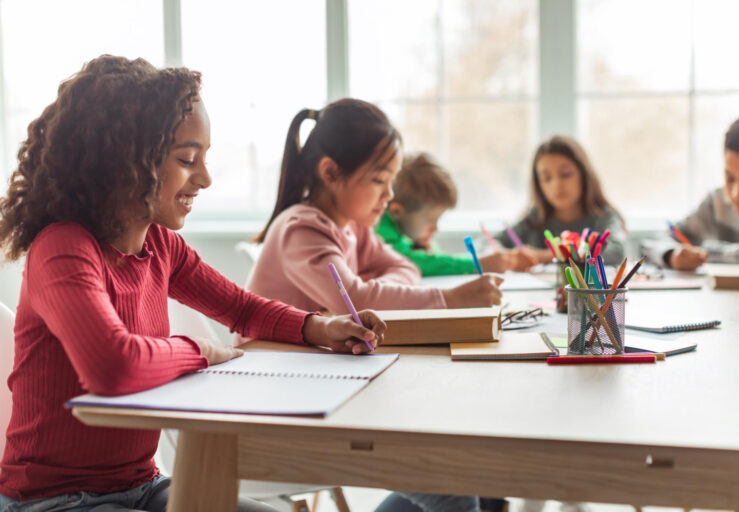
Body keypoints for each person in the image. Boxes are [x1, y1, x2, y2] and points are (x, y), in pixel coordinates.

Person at [0, 55, 383, 512]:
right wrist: (201, 352)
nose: (203, 178)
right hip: (53, 501)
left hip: (143, 487)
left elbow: (243, 309)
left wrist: (320, 328)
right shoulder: (62, 248)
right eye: (187, 159)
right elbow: (112, 368)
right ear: (124, 159)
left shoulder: (160, 245)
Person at [243, 98, 493, 511]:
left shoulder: (353, 229)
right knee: (454, 487)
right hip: (281, 415)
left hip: (328, 393)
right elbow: (360, 300)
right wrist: (448, 299)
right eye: (379, 180)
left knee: (460, 466)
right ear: (330, 173)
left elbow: (403, 267)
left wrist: (370, 287)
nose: (390, 194)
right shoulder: (301, 228)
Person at [376, 152, 537, 276]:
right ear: (397, 211)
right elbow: (410, 263)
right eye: (431, 220)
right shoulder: (379, 230)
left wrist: (428, 252)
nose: (435, 229)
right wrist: (477, 264)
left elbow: (435, 259)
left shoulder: (405, 235)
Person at [645, 115, 739, 270]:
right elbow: (651, 243)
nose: (737, 194)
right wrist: (672, 254)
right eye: (730, 178)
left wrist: (704, 252)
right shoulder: (716, 203)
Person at [497, 135, 627, 265]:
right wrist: (510, 258)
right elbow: (488, 244)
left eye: (566, 174)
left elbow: (616, 252)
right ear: (539, 185)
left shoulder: (603, 217)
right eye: (546, 178)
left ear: (584, 174)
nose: (556, 186)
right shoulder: (535, 219)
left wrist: (547, 255)